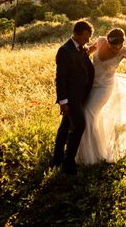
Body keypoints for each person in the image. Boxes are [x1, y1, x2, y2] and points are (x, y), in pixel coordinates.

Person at [76, 27, 126, 165]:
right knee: (90, 114)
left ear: (122, 43)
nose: (114, 49)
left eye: (116, 47)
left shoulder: (125, 52)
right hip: (90, 83)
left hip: (104, 87)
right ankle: (83, 151)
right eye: (111, 46)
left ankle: (94, 154)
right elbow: (87, 53)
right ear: (107, 40)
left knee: (88, 112)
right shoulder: (101, 41)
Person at [51, 20, 95, 175]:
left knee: (64, 127)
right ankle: (68, 162)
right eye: (86, 36)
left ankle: (56, 158)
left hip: (80, 96)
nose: (88, 40)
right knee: (79, 125)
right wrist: (63, 102)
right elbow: (60, 78)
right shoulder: (64, 50)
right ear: (77, 34)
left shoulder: (81, 48)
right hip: (70, 98)